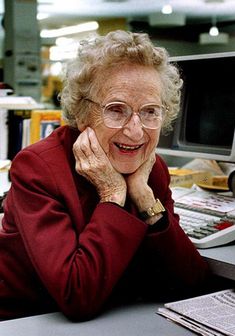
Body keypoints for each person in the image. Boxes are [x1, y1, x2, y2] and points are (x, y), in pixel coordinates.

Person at [0, 30, 210, 321]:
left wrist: (145, 198)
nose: (136, 131)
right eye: (116, 110)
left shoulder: (151, 168)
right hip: (31, 323)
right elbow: (76, 296)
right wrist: (112, 195)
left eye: (150, 111)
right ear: (83, 113)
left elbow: (193, 282)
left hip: (118, 318)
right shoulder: (38, 168)